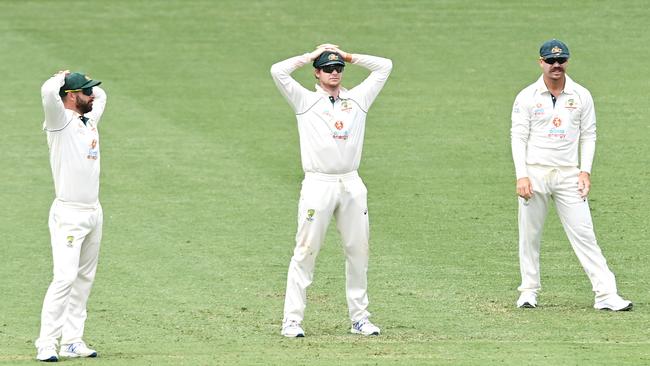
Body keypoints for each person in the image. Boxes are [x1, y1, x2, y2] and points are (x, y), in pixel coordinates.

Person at [270, 44, 392, 337]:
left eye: (338, 68)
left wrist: (349, 55)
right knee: (305, 252)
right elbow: (278, 71)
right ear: (317, 72)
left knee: (358, 252)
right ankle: (292, 320)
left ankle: (360, 318)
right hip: (318, 184)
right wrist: (311, 55)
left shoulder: (358, 99)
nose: (334, 72)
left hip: (351, 183)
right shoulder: (305, 100)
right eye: (328, 68)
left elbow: (384, 66)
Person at [510, 39, 632, 311]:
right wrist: (522, 176)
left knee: (585, 234)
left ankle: (605, 294)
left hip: (568, 175)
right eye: (550, 61)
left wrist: (585, 171)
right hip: (535, 172)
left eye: (561, 60)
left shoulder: (581, 95)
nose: (556, 66)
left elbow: (589, 135)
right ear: (540, 62)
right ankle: (528, 291)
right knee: (530, 235)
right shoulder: (526, 97)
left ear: (567, 62)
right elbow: (518, 137)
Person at [35, 71, 107, 361]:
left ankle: (72, 341)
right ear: (71, 95)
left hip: (94, 212)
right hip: (68, 213)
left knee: (84, 279)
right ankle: (46, 343)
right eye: (85, 92)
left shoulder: (89, 120)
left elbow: (104, 96)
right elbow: (47, 92)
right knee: (64, 278)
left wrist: (84, 80)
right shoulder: (58, 122)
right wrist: (61, 76)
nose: (92, 96)